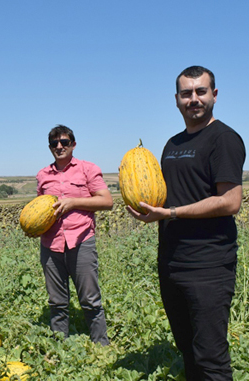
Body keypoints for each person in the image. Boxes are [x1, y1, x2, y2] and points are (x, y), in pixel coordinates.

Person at [127, 65, 246, 380]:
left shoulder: (225, 139)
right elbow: (168, 195)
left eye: (201, 91)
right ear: (177, 99)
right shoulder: (172, 144)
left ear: (214, 96)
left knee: (211, 358)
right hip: (171, 262)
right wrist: (149, 210)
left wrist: (171, 214)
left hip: (208, 265)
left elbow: (230, 201)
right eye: (186, 93)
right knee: (188, 350)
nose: (194, 99)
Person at [32, 125, 113, 345]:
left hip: (81, 241)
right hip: (51, 245)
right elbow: (39, 209)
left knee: (90, 299)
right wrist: (33, 228)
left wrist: (73, 203)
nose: (59, 147)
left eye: (64, 142)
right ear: (50, 148)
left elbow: (107, 201)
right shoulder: (42, 175)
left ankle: (101, 346)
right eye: (54, 144)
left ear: (73, 144)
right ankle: (61, 349)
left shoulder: (88, 169)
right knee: (57, 301)